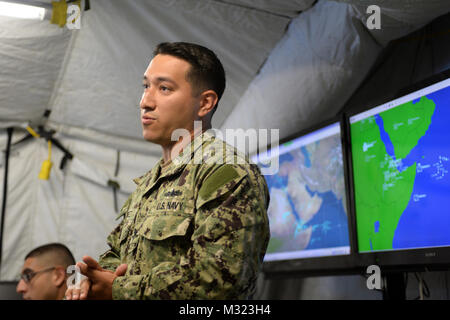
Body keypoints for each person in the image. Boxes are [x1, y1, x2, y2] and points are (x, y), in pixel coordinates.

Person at [65, 42, 270, 300]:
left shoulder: (227, 173)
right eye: (146, 86)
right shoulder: (152, 181)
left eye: (164, 88)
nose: (145, 102)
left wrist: (117, 290)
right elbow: (120, 253)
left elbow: (219, 280)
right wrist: (93, 279)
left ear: (205, 103)